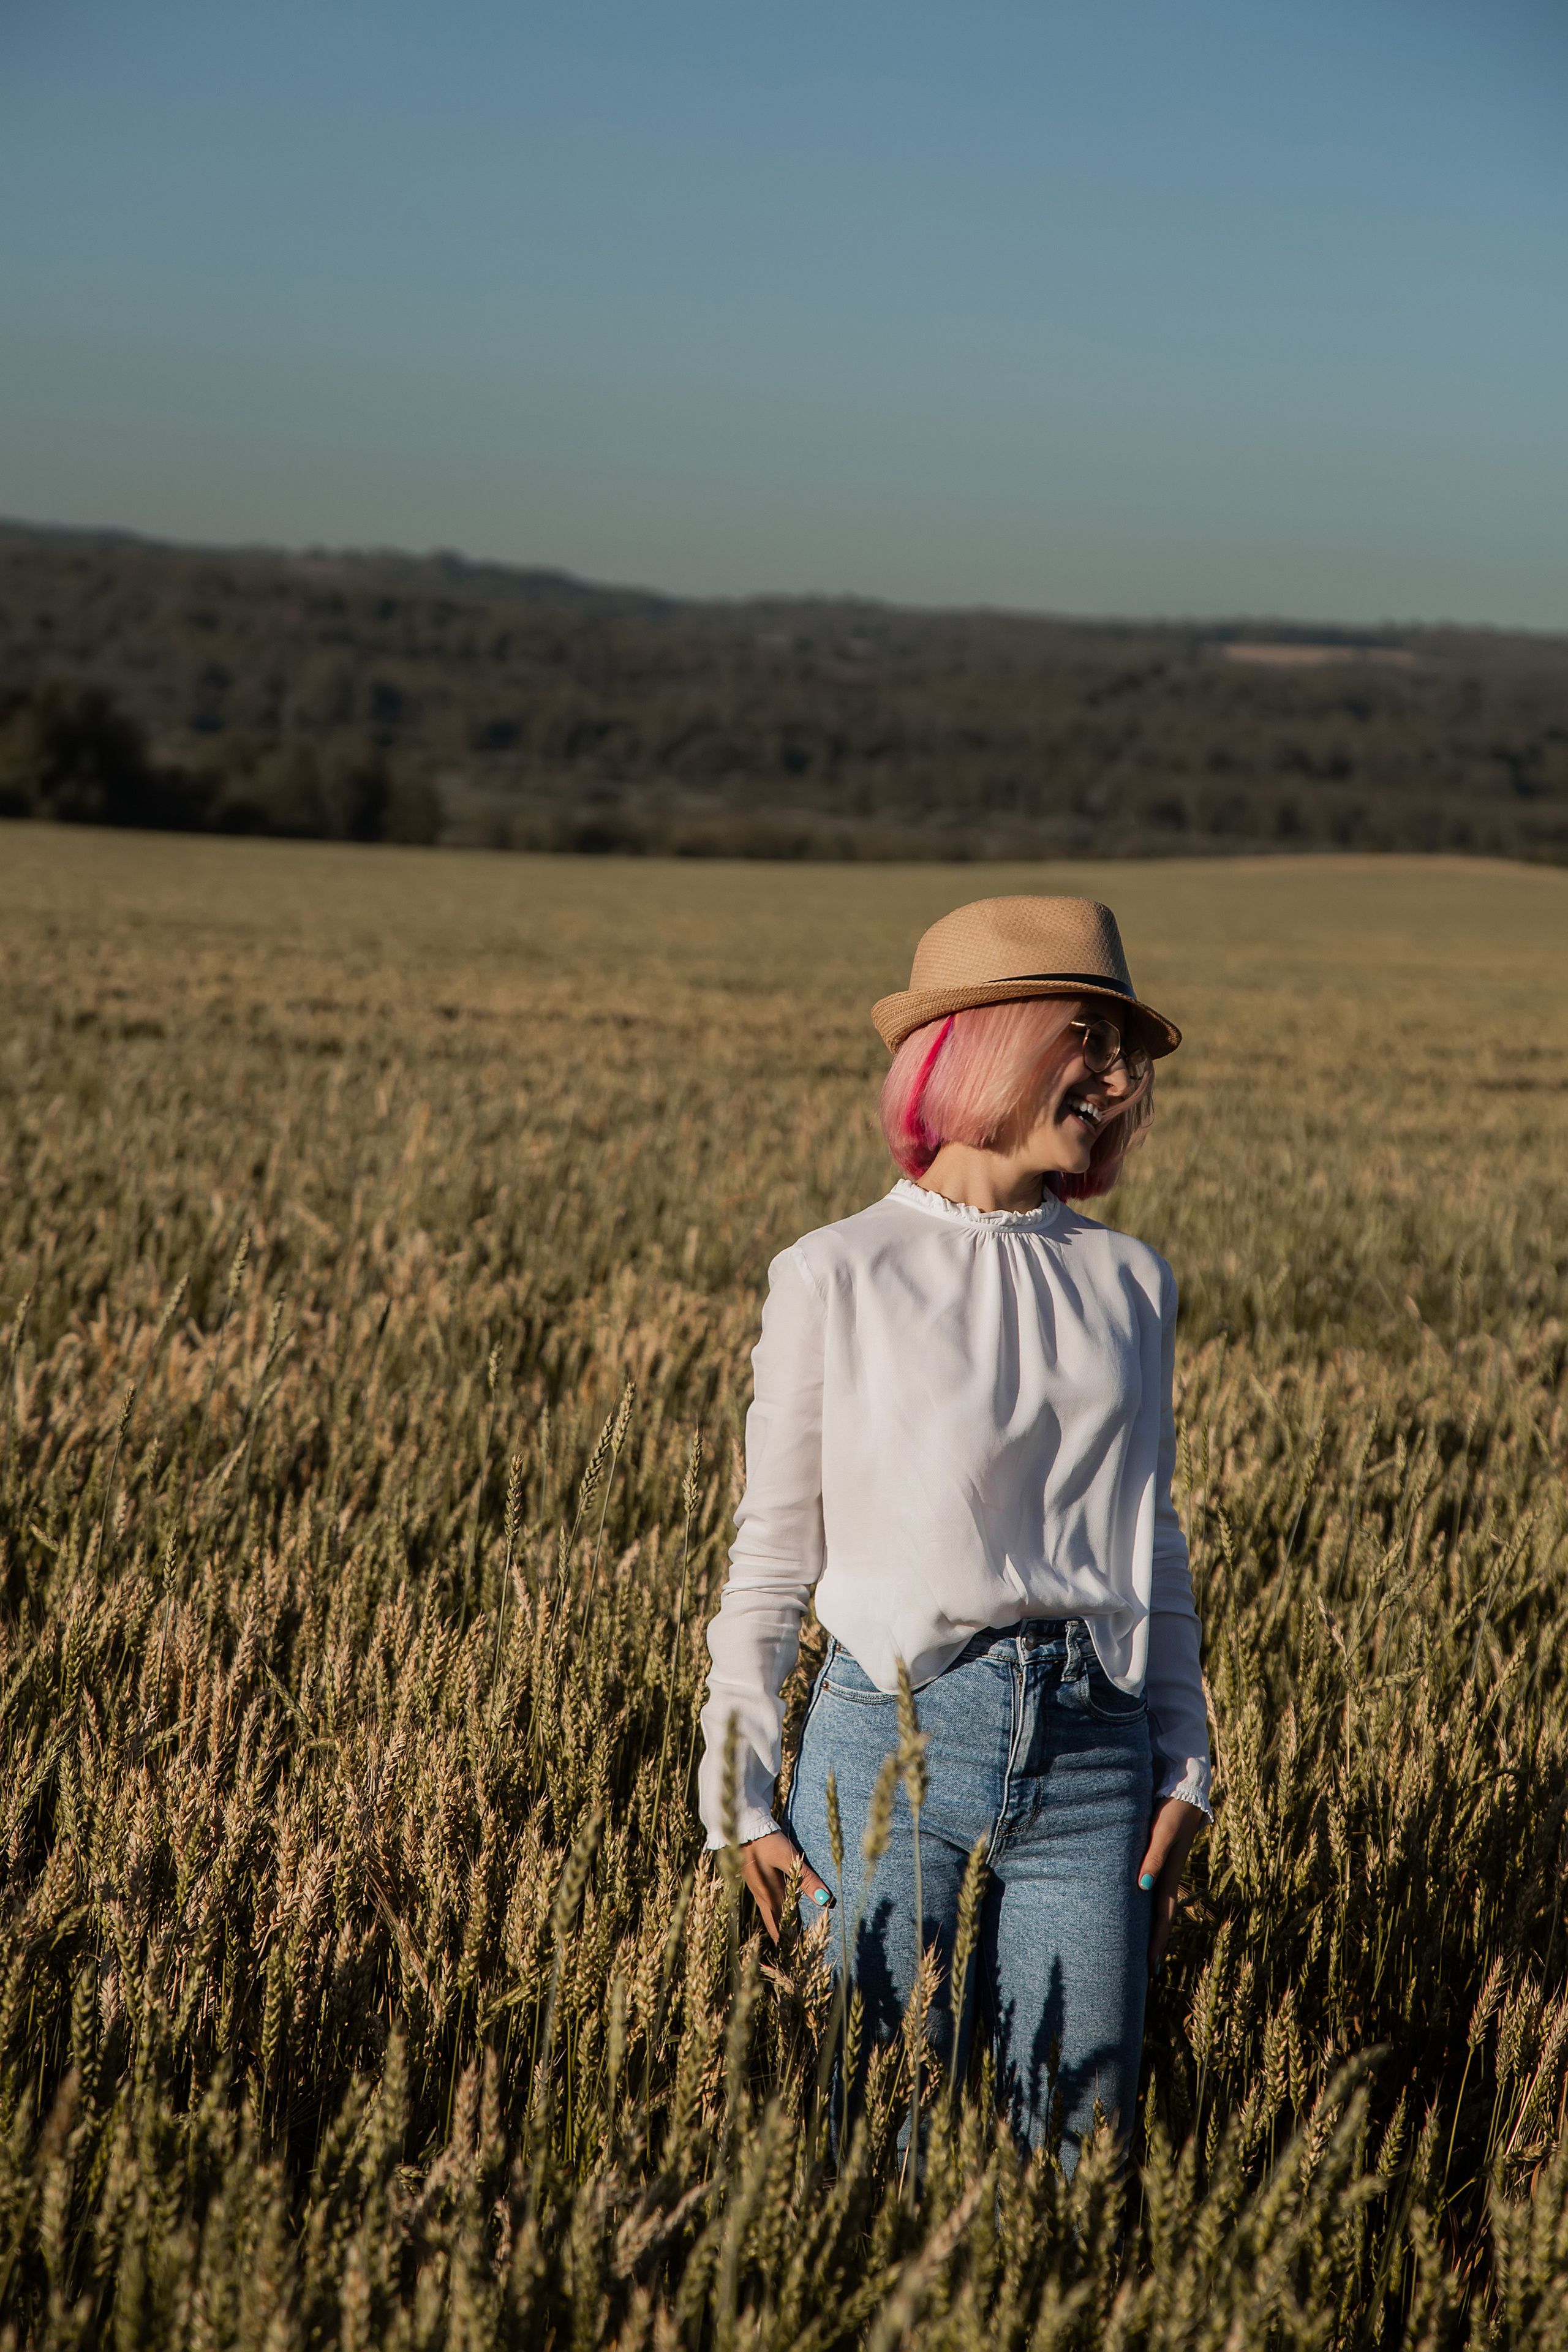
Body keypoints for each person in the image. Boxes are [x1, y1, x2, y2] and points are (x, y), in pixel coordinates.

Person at [696, 895, 1211, 2165]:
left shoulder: (1130, 1283)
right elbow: (772, 1551)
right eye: (1087, 1041)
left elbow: (1148, 1537)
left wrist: (1184, 1763)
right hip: (891, 1742)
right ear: (990, 1043)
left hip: (1094, 1755)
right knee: (878, 2149)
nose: (1115, 1081)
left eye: (1123, 1055)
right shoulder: (837, 1272)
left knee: (1079, 2160)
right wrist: (738, 1795)